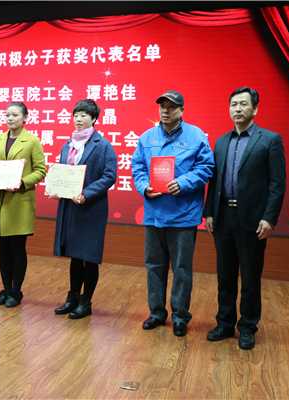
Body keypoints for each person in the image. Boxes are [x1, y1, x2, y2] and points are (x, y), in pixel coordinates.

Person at [204, 87, 286, 350]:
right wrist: (209, 212)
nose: (237, 109)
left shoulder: (269, 140)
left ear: (255, 109)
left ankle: (248, 326)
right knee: (225, 275)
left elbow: (277, 184)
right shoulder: (221, 142)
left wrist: (269, 218)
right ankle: (225, 323)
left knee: (250, 276)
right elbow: (214, 181)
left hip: (252, 219)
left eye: (243, 104)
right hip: (223, 217)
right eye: (233, 104)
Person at [131, 90, 214, 336]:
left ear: (182, 110)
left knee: (181, 268)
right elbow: (137, 166)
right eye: (162, 107)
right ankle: (156, 312)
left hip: (183, 215)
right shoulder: (147, 137)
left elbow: (206, 167)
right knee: (154, 266)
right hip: (154, 213)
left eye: (171, 107)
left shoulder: (196, 136)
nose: (165, 111)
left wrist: (184, 182)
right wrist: (144, 187)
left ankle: (180, 316)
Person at [51, 99, 117, 319]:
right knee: (75, 256)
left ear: (94, 118)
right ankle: (72, 298)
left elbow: (109, 176)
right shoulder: (67, 144)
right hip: (70, 208)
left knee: (88, 256)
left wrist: (86, 193)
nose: (78, 119)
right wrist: (55, 187)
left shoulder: (103, 145)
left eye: (84, 115)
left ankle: (86, 301)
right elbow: (63, 172)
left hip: (91, 209)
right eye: (76, 115)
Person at [0, 102, 47, 307]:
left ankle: (16, 291)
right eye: (7, 115)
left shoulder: (32, 141)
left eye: (15, 115)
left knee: (17, 249)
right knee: (3, 249)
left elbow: (41, 170)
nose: (10, 118)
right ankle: (5, 288)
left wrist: (22, 182)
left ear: (25, 118)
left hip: (19, 202)